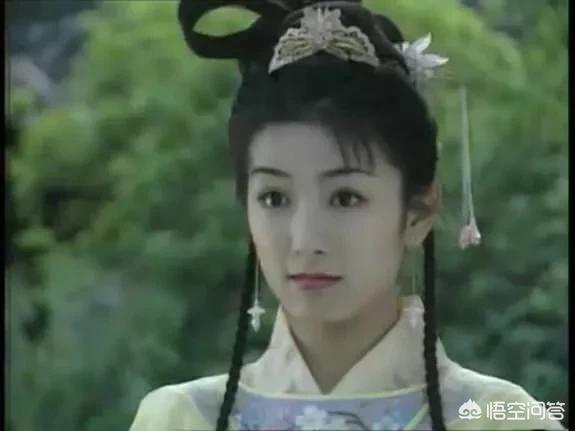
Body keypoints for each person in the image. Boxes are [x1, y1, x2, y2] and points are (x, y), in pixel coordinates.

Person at [129, 1, 565, 429]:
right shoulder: (182, 417)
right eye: (274, 198)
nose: (305, 240)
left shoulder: (497, 417)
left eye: (345, 198)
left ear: (418, 212)